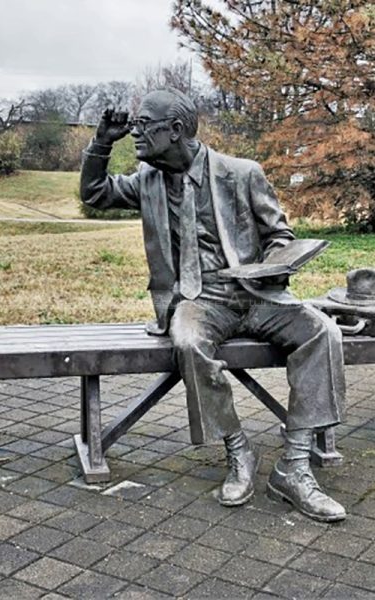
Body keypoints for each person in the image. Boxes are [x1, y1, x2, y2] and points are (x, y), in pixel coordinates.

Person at [80, 89, 347, 522]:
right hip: (198, 300)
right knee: (187, 341)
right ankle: (237, 450)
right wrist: (102, 142)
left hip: (258, 295)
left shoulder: (242, 174)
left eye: (145, 126)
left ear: (176, 130)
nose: (138, 134)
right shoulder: (147, 182)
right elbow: (94, 194)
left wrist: (272, 267)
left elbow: (280, 235)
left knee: (323, 331)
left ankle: (295, 466)